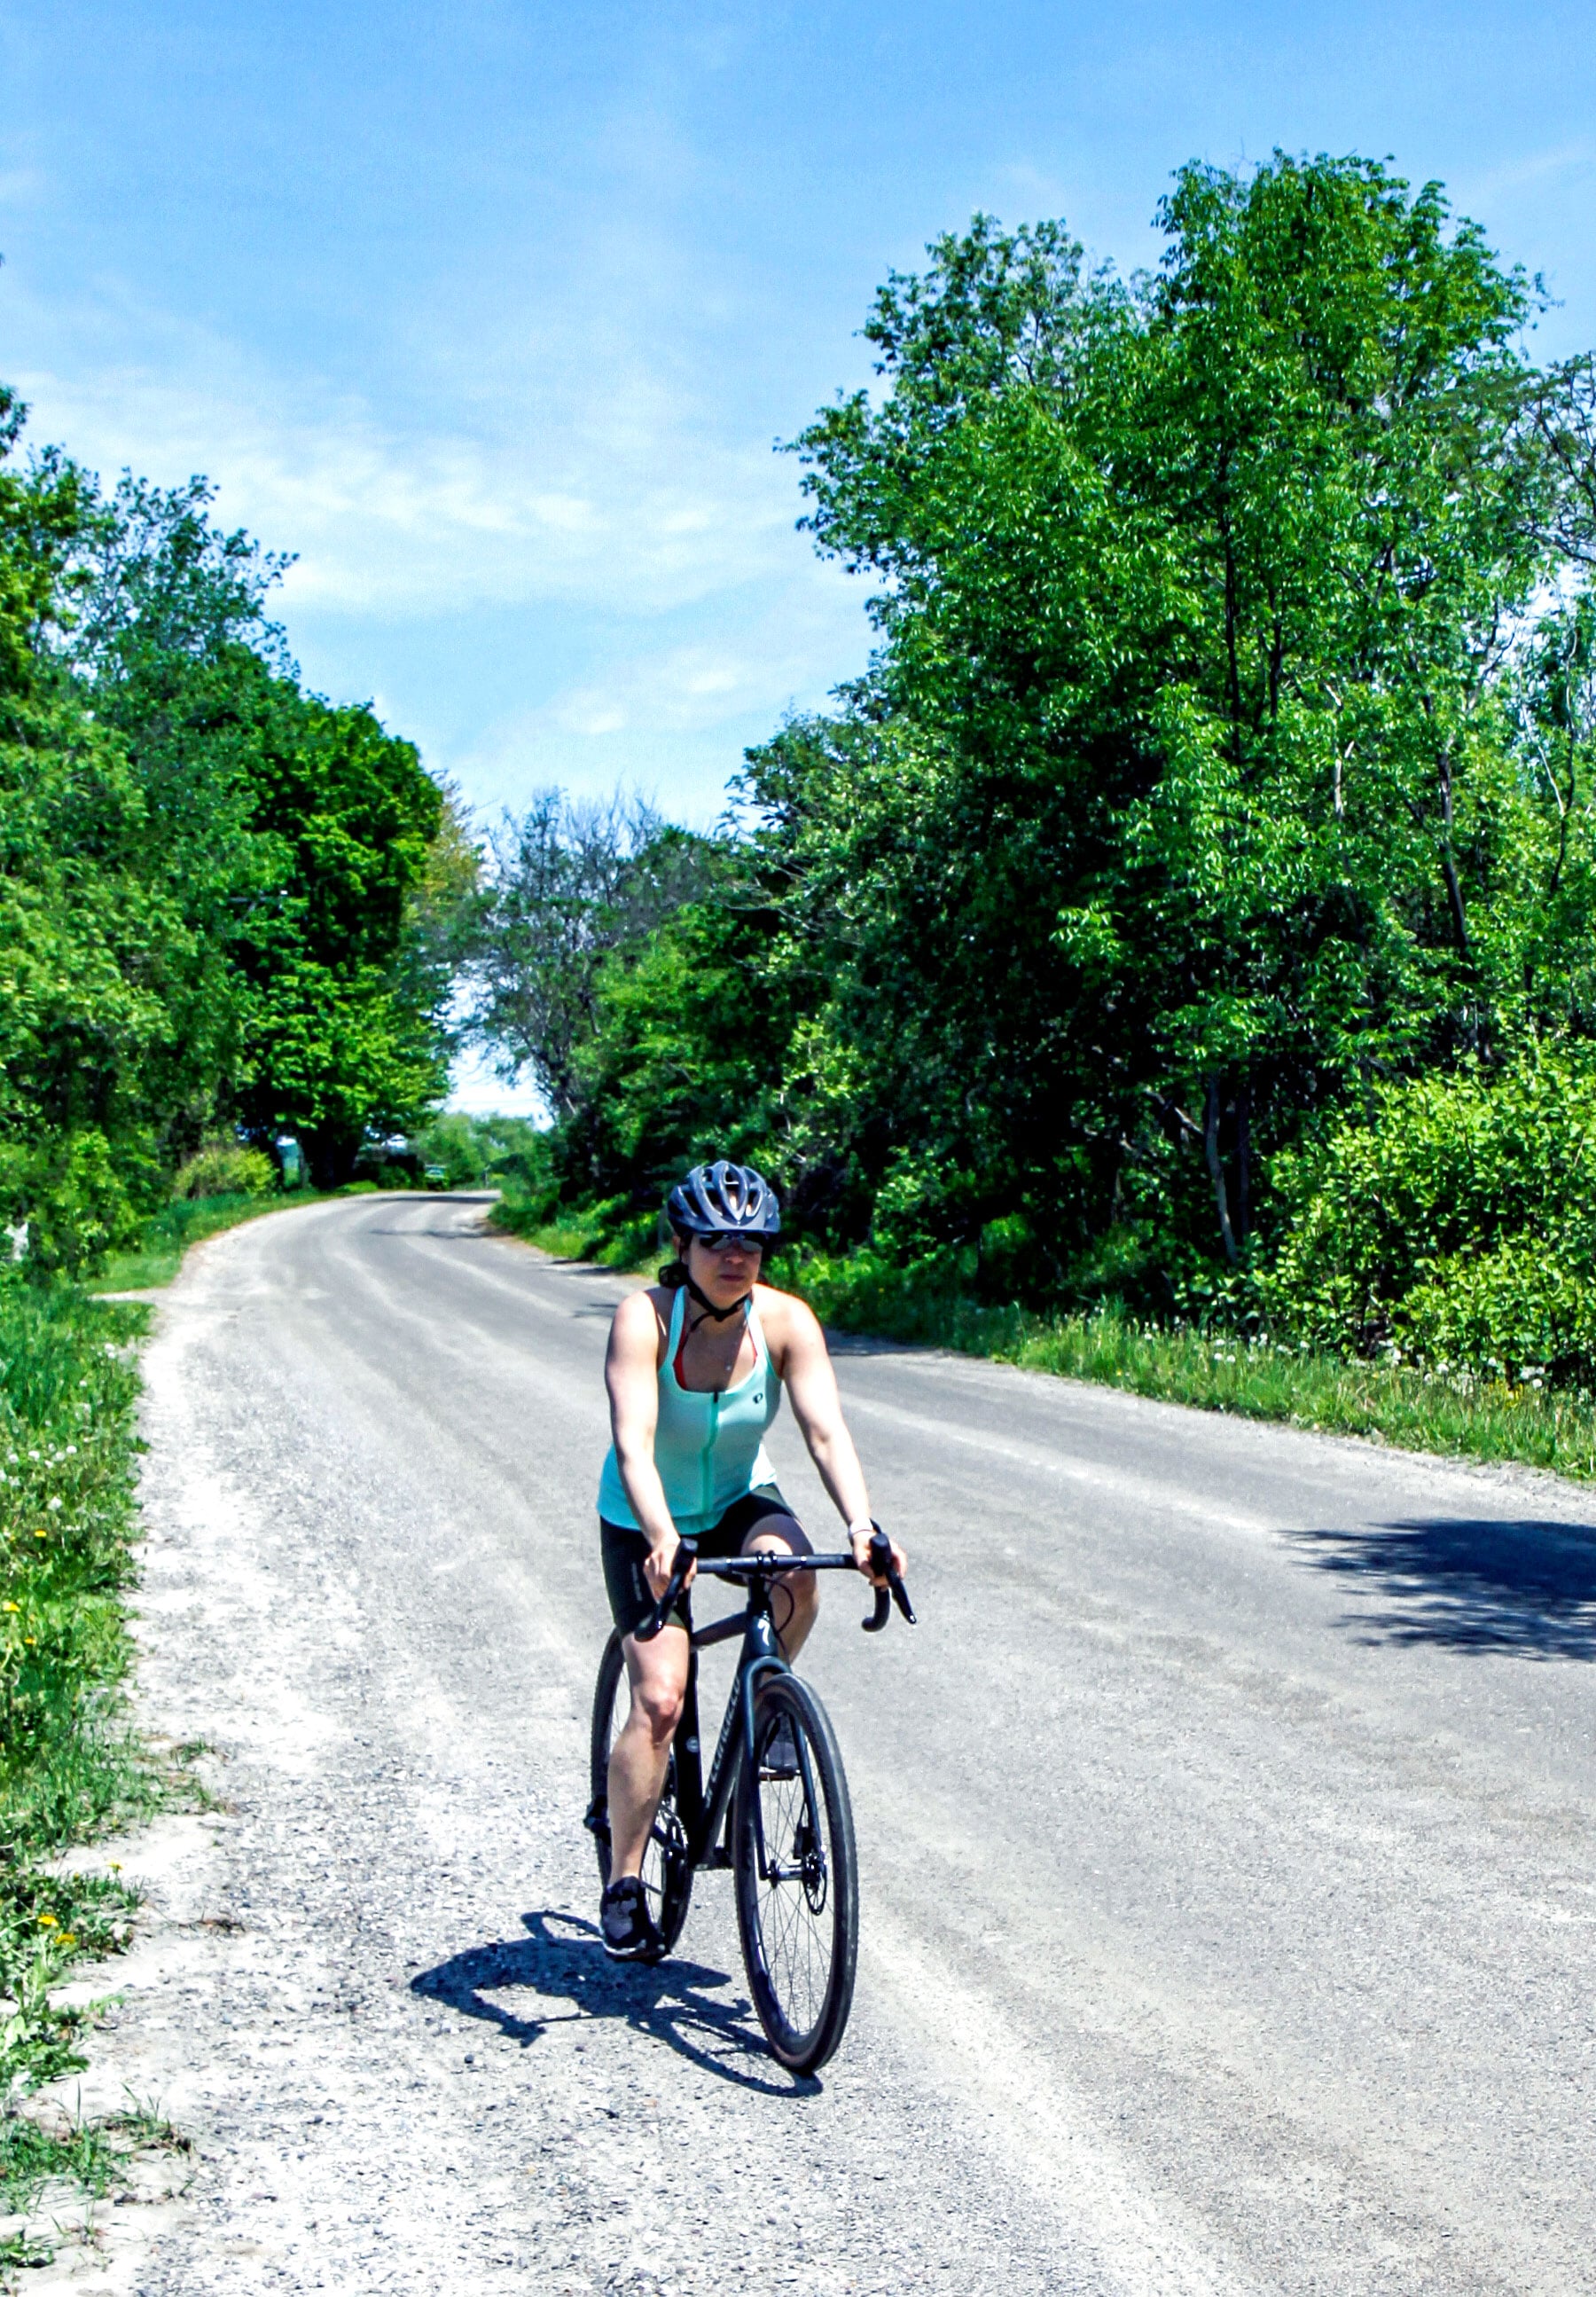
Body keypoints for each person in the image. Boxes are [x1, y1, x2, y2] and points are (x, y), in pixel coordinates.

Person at [596, 1157, 906, 1960]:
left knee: (794, 1576)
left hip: (737, 1495)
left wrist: (864, 1527)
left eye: (752, 1245)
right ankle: (625, 1882)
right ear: (682, 1244)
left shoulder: (785, 1321)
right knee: (662, 1701)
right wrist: (664, 1536)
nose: (735, 1259)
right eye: (715, 1243)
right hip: (645, 1514)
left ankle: (770, 1702)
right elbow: (632, 1443)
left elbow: (825, 1432)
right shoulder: (645, 1319)